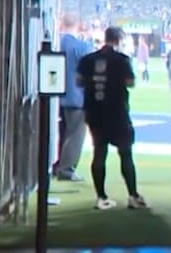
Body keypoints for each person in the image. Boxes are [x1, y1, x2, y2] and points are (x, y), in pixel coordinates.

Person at [77, 27, 147, 210]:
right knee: (125, 154)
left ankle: (101, 197)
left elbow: (79, 81)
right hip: (117, 113)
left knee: (99, 153)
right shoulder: (122, 60)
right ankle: (132, 195)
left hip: (95, 113)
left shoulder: (87, 60)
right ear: (118, 40)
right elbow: (130, 83)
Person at [53, 14, 92, 181]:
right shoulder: (81, 46)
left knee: (61, 133)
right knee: (75, 134)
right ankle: (66, 168)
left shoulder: (56, 43)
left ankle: (57, 164)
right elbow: (88, 72)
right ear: (78, 25)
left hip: (55, 95)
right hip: (76, 97)